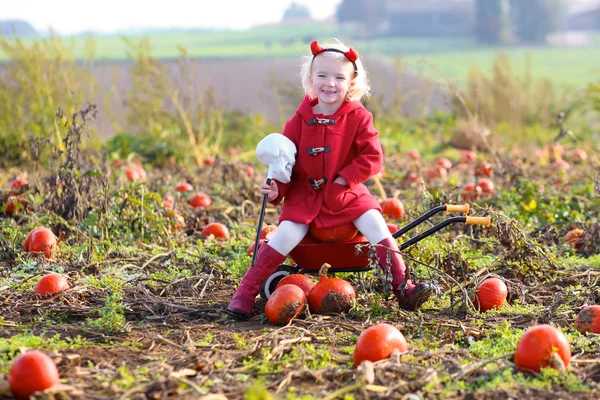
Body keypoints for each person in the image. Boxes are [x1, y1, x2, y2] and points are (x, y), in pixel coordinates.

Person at [226, 39, 432, 320]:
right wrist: (277, 188)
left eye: (339, 77)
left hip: (345, 196)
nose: (329, 83)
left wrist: (343, 180)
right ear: (311, 79)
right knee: (283, 236)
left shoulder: (359, 117)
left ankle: (403, 287)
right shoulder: (298, 121)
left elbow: (373, 157)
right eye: (322, 76)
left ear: (352, 83)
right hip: (305, 197)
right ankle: (245, 294)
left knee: (377, 227)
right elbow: (287, 162)